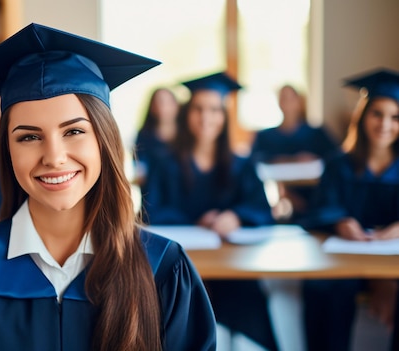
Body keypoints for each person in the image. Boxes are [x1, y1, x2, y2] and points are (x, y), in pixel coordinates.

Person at [0, 23, 217, 351]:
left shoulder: (163, 268)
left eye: (74, 131)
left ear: (104, 140)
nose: (54, 157)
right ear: (5, 150)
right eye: (28, 137)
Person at [141, 72, 278, 351]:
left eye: (215, 110)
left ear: (225, 116)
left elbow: (263, 211)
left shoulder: (242, 164)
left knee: (246, 299)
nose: (206, 118)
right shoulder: (165, 163)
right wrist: (196, 222)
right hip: (180, 266)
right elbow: (149, 211)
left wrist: (237, 216)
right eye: (198, 109)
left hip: (232, 267)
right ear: (186, 114)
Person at [302, 68, 399, 351]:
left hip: (393, 266)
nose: (385, 124)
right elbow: (319, 208)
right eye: (377, 114)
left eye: (395, 117)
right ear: (363, 116)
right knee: (323, 286)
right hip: (344, 262)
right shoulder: (337, 165)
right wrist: (339, 221)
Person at [251, 84, 339, 221]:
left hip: (312, 195)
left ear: (299, 102)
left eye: (291, 98)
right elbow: (254, 159)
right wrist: (286, 160)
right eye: (282, 98)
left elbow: (335, 156)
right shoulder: (265, 136)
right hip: (276, 195)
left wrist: (313, 158)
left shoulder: (316, 133)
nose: (286, 103)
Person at [133, 87, 179, 187]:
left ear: (176, 105)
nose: (163, 107)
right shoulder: (144, 136)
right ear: (152, 107)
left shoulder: (185, 133)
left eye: (167, 102)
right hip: (153, 192)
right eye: (158, 102)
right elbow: (140, 169)